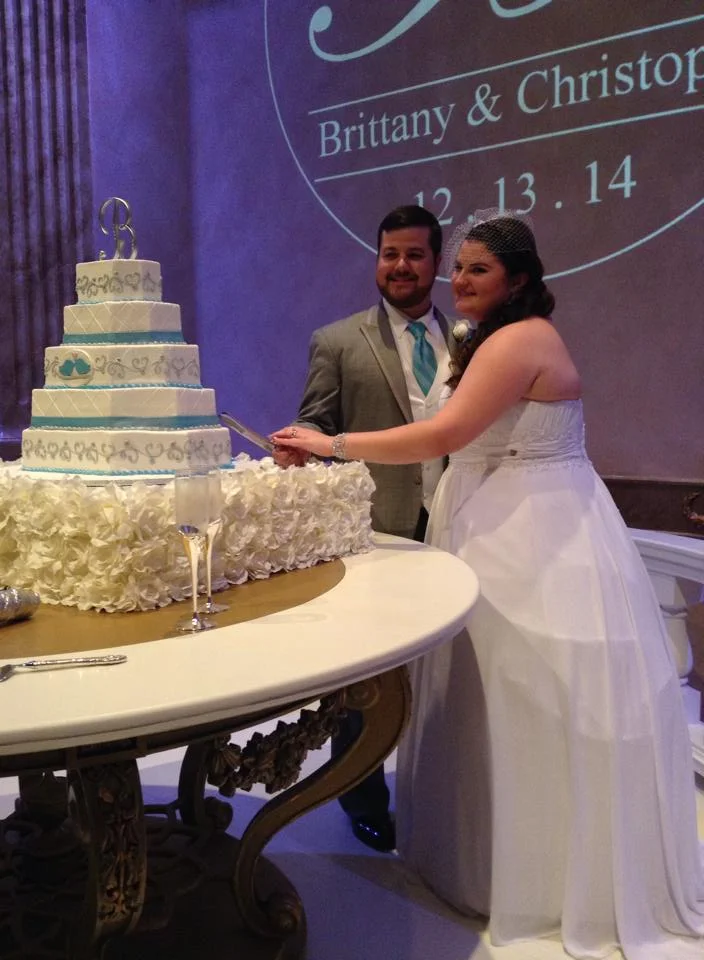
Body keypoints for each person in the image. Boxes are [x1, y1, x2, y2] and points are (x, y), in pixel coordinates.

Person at [272, 210, 704, 959]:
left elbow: (442, 436)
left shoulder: (521, 339)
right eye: (460, 267)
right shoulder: (487, 339)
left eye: (476, 269)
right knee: (484, 699)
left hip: (536, 544)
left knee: (533, 696)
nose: (457, 279)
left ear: (521, 281)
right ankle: (480, 858)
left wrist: (331, 443)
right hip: (492, 530)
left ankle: (541, 878)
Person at [273, 204, 455, 853]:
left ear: (436, 262)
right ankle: (362, 797)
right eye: (389, 254)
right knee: (369, 679)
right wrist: (302, 450)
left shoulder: (470, 342)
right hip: (378, 533)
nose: (400, 266)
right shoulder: (339, 341)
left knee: (454, 670)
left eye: (413, 255)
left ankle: (443, 790)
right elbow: (315, 430)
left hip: (462, 521)